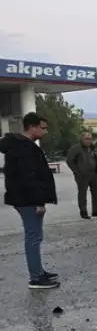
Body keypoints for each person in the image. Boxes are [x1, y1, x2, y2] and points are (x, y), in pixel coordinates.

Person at [0, 112, 60, 289]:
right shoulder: (25, 148)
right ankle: (36, 278)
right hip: (28, 200)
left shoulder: (20, 146)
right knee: (33, 237)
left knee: (35, 236)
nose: (45, 131)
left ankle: (38, 271)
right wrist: (39, 202)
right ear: (32, 127)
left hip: (24, 198)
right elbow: (29, 178)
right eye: (42, 128)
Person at [66, 132, 97, 219]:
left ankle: (96, 210)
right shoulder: (76, 148)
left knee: (96, 193)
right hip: (82, 175)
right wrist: (77, 172)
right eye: (86, 139)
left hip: (94, 174)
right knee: (82, 194)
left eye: (90, 139)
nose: (88, 141)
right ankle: (83, 212)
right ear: (82, 139)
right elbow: (69, 161)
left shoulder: (93, 148)